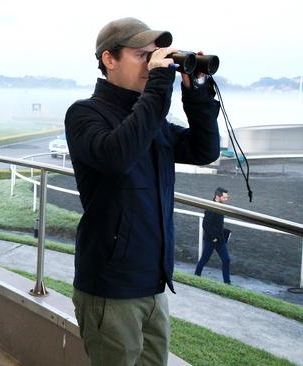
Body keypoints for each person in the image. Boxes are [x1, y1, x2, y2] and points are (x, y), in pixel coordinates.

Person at [65, 18, 220, 365]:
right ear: (109, 59)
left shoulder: (153, 121)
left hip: (154, 284)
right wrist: (159, 87)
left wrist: (195, 93)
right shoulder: (84, 115)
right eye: (142, 56)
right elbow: (118, 154)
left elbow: (203, 150)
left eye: (157, 57)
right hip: (110, 287)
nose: (153, 65)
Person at [195, 187, 232, 284]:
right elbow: (205, 225)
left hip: (220, 239)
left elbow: (217, 224)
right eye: (224, 198)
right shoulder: (210, 207)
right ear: (217, 196)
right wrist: (214, 238)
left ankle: (227, 283)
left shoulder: (220, 206)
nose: (226, 200)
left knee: (226, 259)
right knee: (204, 259)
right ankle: (196, 276)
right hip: (211, 240)